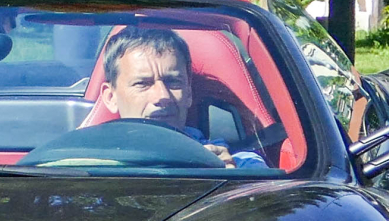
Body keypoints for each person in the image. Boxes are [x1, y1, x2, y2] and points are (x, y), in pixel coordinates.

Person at [93, 28, 266, 170]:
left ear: (189, 92)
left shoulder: (241, 164)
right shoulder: (85, 162)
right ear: (110, 97)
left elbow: (272, 203)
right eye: (142, 84)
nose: (163, 96)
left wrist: (232, 183)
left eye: (173, 82)